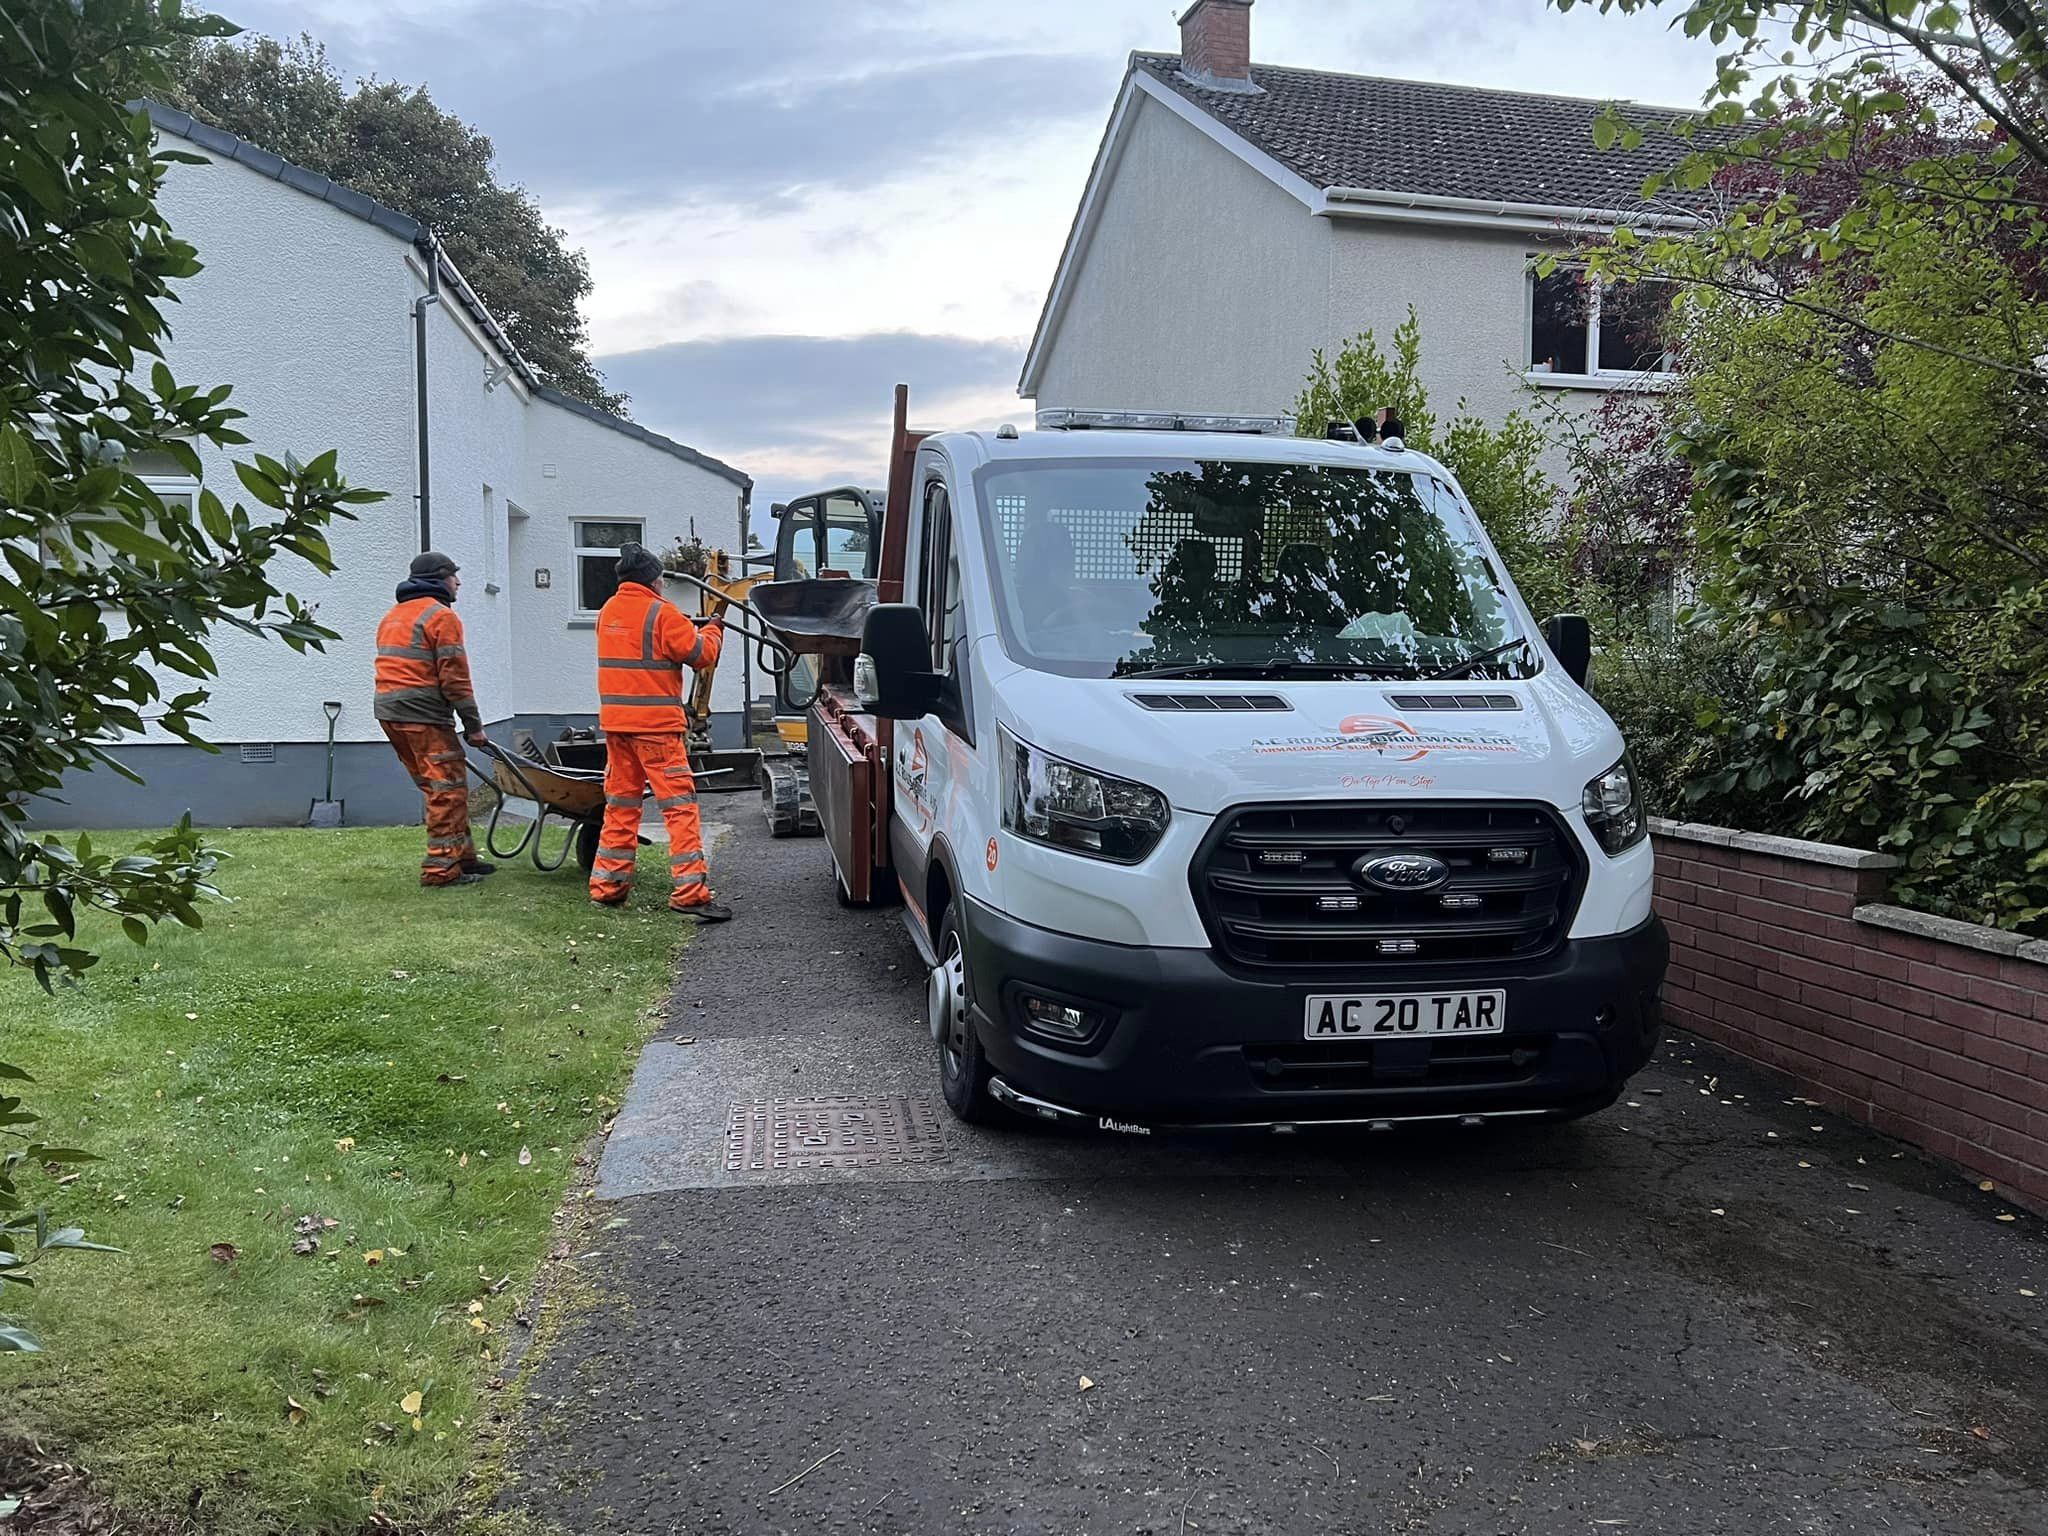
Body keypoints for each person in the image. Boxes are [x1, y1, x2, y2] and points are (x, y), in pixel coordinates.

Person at [588, 543, 730, 922]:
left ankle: (607, 886)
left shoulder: (607, 612)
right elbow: (701, 654)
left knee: (621, 806)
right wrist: (714, 630)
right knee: (679, 809)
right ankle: (690, 892)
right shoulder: (661, 613)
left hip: (617, 729)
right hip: (657, 732)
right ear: (655, 580)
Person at [373, 551, 494, 887]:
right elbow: (455, 680)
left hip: (390, 713)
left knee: (440, 785)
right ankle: (441, 870)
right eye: (455, 576)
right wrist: (474, 727)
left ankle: (463, 858)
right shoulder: (442, 617)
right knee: (447, 790)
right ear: (441, 578)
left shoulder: (394, 616)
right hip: (422, 716)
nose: (459, 582)